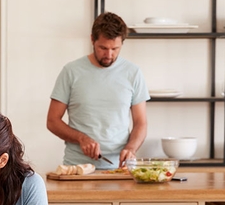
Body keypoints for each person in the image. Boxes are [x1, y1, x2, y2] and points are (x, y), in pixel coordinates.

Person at [47, 11, 149, 169]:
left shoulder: (133, 73)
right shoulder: (71, 71)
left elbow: (141, 123)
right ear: (92, 40)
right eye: (103, 48)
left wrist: (131, 148)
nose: (109, 55)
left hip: (120, 168)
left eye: (115, 49)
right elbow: (52, 121)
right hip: (77, 168)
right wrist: (81, 138)